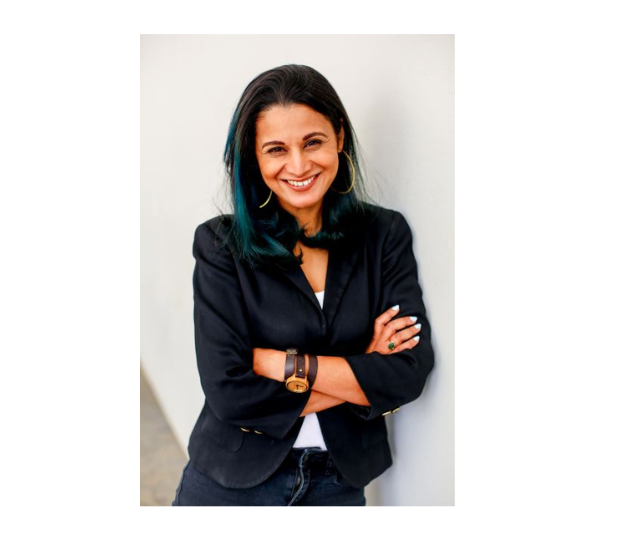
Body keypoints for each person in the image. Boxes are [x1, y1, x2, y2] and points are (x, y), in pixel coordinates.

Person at [172, 64, 434, 506]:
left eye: (313, 142)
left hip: (340, 481)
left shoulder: (384, 234)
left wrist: (280, 364)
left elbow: (409, 371)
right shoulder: (220, 244)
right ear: (255, 157)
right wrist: (362, 365)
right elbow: (229, 393)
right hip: (232, 482)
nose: (298, 165)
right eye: (276, 149)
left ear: (340, 137)